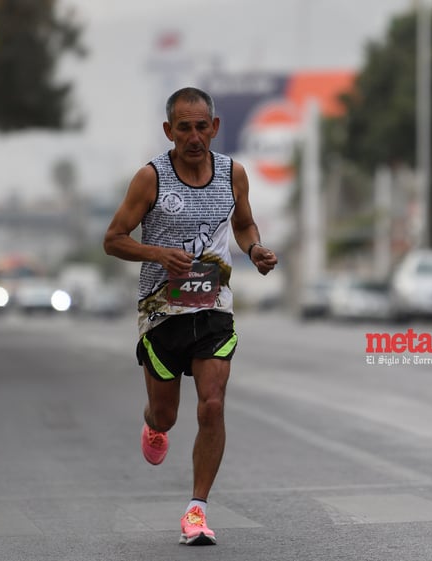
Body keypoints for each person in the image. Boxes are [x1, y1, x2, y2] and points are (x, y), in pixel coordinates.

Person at [103, 86, 277, 546]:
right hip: (161, 312)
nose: (195, 136)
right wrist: (160, 254)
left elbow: (242, 223)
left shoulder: (233, 173)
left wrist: (254, 249)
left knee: (213, 403)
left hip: (213, 304)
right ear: (169, 131)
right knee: (166, 415)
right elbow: (113, 238)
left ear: (215, 128)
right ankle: (154, 425)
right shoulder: (151, 179)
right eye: (185, 128)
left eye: (202, 127)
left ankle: (196, 510)